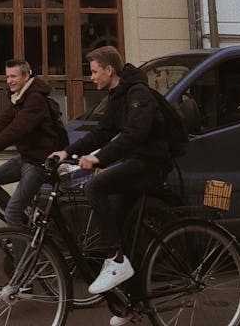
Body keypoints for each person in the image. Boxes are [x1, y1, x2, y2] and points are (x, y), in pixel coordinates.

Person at [51, 45, 172, 309]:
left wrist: (98, 158)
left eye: (94, 72)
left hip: (151, 163)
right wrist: (66, 151)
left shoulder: (138, 93)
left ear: (109, 70)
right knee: (119, 223)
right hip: (135, 161)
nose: (91, 77)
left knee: (95, 186)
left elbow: (135, 134)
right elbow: (101, 133)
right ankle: (133, 302)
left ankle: (116, 260)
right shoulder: (117, 96)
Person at [0, 58, 62, 231]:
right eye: (7, 76)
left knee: (12, 213)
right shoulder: (20, 98)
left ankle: (23, 256)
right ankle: (23, 230)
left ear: (25, 76)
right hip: (26, 157)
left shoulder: (35, 99)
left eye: (13, 76)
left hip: (39, 163)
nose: (9, 80)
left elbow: (15, 131)